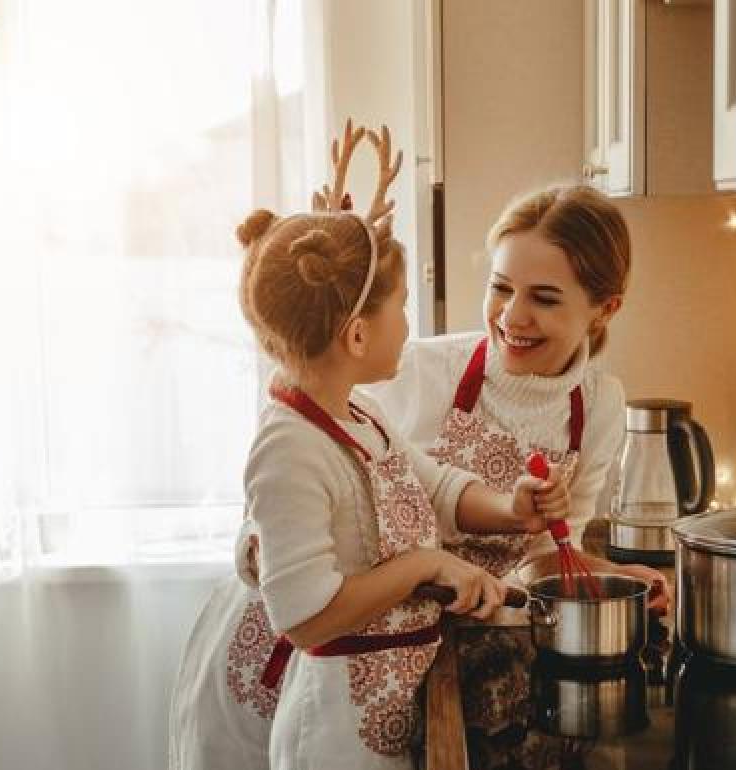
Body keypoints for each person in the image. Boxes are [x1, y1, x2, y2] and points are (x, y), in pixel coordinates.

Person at [168, 123, 569, 770]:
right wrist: (425, 566)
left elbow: (434, 487)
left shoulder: (360, 416)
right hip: (330, 728)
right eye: (403, 308)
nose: (411, 326)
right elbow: (304, 619)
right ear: (356, 336)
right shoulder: (290, 448)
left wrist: (512, 508)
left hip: (382, 711)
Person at [367, 183, 668, 603]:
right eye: (502, 288)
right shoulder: (416, 369)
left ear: (605, 309)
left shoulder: (600, 404)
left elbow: (548, 554)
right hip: (385, 629)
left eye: (544, 299)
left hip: (485, 640)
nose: (512, 317)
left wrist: (616, 576)